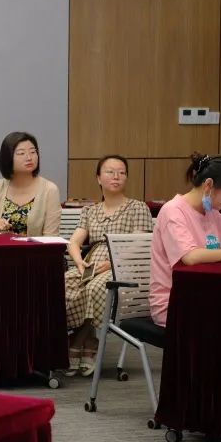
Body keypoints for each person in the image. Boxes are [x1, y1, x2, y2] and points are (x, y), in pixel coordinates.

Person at [63, 156, 153, 376]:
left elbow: (137, 247)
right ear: (98, 178)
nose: (116, 176)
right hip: (92, 263)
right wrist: (79, 262)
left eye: (121, 172)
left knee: (96, 288)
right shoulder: (90, 211)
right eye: (110, 172)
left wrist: (111, 262)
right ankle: (89, 342)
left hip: (123, 266)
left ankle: (77, 342)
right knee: (64, 284)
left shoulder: (138, 208)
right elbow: (73, 243)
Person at [150, 154, 221, 326]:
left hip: (206, 296)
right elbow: (190, 257)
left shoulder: (212, 213)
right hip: (174, 303)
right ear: (209, 185)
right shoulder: (173, 211)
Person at [0, 131, 61, 236]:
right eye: (21, 153)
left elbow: (51, 238)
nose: (29, 158)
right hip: (1, 246)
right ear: (8, 158)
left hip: (37, 247)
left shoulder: (49, 190)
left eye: (33, 152)